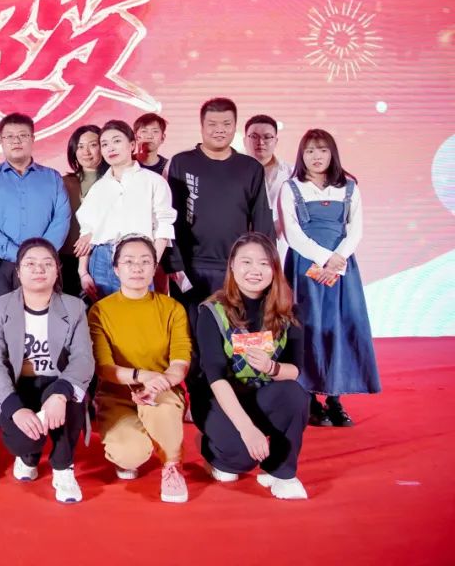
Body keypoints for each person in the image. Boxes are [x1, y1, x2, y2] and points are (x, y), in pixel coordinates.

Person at [191, 233, 309, 500]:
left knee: (294, 394)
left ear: (274, 269)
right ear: (232, 266)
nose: (255, 270)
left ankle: (281, 471)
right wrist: (247, 430)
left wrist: (271, 367)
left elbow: (295, 370)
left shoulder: (289, 312)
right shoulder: (212, 311)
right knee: (239, 462)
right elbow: (215, 376)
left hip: (262, 394)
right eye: (246, 262)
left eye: (264, 263)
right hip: (219, 399)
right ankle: (211, 448)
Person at [280, 129, 380, 427]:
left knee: (340, 326)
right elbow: (292, 233)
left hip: (341, 268)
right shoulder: (291, 187)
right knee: (307, 327)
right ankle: (310, 398)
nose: (316, 156)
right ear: (302, 155)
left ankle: (335, 399)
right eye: (310, 150)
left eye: (322, 150)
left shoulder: (349, 186)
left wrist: (336, 260)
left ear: (332, 153)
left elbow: (355, 230)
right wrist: (323, 258)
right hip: (305, 267)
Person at [0, 238, 94, 504]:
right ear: (18, 271)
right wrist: (15, 409)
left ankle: (63, 467)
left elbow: (83, 358)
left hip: (57, 382)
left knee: (72, 396)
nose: (39, 270)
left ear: (57, 270)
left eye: (47, 264)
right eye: (30, 264)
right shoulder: (0, 306)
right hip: (19, 386)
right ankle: (28, 456)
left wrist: (61, 394)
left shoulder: (74, 307)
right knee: (24, 441)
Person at [88, 236, 190, 503]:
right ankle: (146, 438)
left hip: (161, 390)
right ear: (116, 269)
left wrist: (159, 383)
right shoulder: (100, 311)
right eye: (129, 261)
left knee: (162, 408)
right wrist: (141, 376)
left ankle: (172, 465)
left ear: (155, 267)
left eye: (145, 261)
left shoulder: (172, 308)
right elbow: (104, 367)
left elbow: (180, 362)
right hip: (117, 395)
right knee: (129, 455)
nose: (137, 268)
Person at [166, 98, 274, 323]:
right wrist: (173, 264)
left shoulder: (250, 168)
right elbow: (168, 217)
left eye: (226, 124)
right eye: (212, 124)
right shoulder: (182, 163)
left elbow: (262, 220)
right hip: (189, 267)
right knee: (190, 332)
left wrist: (263, 265)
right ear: (202, 126)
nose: (220, 130)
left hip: (236, 268)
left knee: (235, 330)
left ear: (235, 127)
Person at [0, 113, 71, 308]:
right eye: (9, 136)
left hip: (42, 265)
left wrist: (38, 256)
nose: (16, 141)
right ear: (1, 141)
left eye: (22, 135)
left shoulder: (52, 177)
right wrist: (16, 253)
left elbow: (62, 219)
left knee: (43, 317)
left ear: (33, 139)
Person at [75, 121, 176, 301]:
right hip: (101, 261)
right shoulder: (98, 188)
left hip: (138, 260)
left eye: (116, 141)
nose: (110, 148)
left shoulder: (154, 182)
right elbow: (87, 232)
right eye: (104, 144)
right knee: (102, 315)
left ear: (132, 145)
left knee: (138, 314)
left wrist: (151, 264)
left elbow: (163, 226)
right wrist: (83, 272)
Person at [61, 125, 105, 297]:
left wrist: (92, 236)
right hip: (68, 256)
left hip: (102, 258)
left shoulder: (114, 181)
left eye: (93, 145)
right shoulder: (63, 183)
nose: (86, 152)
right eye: (80, 146)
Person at [244, 114, 293, 260]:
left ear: (276, 141)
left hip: (282, 245)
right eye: (254, 136)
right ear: (245, 140)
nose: (260, 142)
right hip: (242, 243)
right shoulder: (231, 173)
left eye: (267, 137)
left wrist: (279, 226)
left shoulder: (292, 173)